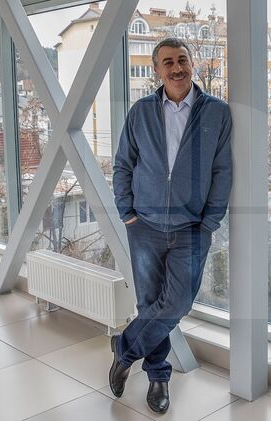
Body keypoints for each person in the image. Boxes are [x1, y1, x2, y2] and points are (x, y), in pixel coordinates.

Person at [110, 37, 233, 414]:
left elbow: (222, 170)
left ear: (191, 64)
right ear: (156, 70)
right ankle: (158, 377)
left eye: (182, 60)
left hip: (192, 228)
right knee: (150, 304)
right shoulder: (141, 111)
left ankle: (124, 350)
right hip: (143, 225)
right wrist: (127, 211)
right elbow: (123, 164)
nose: (177, 68)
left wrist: (210, 221)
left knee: (177, 302)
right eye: (168, 62)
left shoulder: (217, 112)